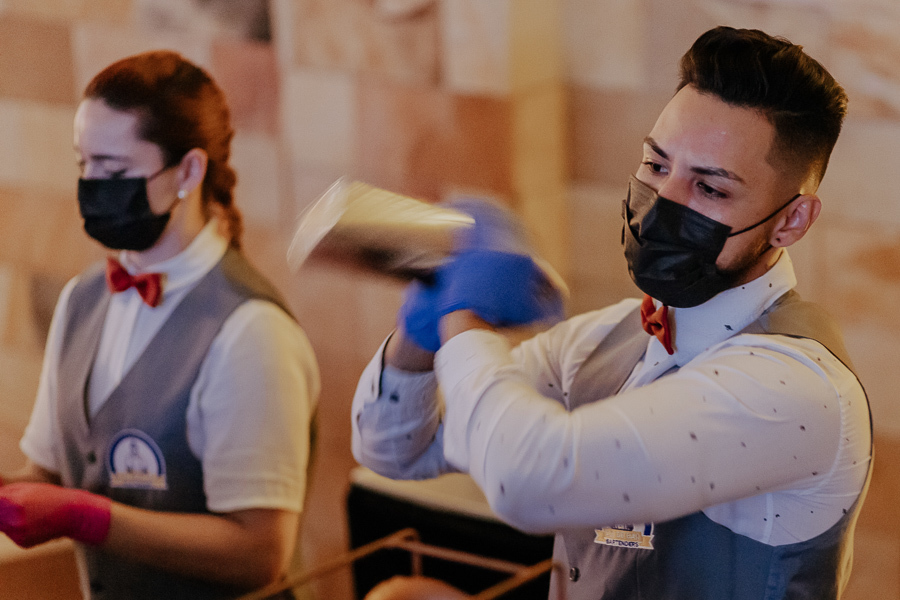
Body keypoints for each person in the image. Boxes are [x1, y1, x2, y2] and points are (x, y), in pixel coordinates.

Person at [351, 26, 871, 600]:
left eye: (711, 189)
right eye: (657, 164)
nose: (662, 206)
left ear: (791, 222)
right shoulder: (600, 339)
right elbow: (394, 451)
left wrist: (461, 316)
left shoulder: (795, 389)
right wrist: (419, 330)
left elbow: (527, 481)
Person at [0, 51, 320, 599]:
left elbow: (258, 554)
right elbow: (47, 475)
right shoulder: (82, 299)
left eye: (115, 170)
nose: (94, 186)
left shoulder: (251, 332)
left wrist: (90, 519)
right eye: (85, 166)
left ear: (189, 172)